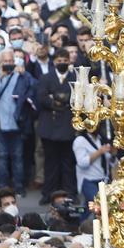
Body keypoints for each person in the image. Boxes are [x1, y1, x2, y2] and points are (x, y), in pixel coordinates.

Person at [0, 47, 36, 195]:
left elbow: (34, 85)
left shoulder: (20, 74)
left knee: (17, 157)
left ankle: (19, 186)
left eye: (11, 61)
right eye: (6, 61)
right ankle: (2, 187)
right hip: (1, 124)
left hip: (17, 123)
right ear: (0, 62)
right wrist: (0, 76)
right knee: (1, 157)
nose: (8, 63)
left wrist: (25, 74)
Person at [36, 49, 77, 204]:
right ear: (54, 62)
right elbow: (42, 98)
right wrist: (61, 101)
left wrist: (56, 98)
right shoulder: (46, 78)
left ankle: (70, 193)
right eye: (59, 60)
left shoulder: (74, 78)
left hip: (68, 127)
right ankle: (48, 193)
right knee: (50, 163)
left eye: (65, 60)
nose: (62, 63)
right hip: (49, 128)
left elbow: (75, 99)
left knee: (68, 163)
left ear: (69, 61)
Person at [73, 127, 111, 210]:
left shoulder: (101, 139)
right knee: (99, 205)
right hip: (88, 180)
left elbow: (109, 160)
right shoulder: (80, 141)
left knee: (89, 208)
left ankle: (81, 221)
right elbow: (82, 163)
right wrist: (99, 152)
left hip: (103, 179)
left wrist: (113, 153)